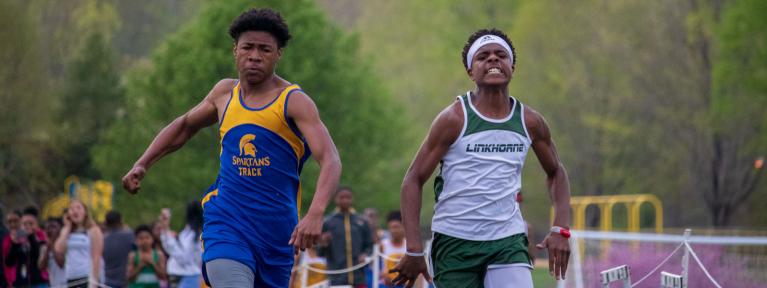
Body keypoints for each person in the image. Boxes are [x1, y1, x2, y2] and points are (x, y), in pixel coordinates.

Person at [120, 8, 342, 288]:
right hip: (226, 223)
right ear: (235, 50)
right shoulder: (224, 94)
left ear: (278, 55)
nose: (255, 56)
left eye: (265, 50)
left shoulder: (294, 102)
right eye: (247, 47)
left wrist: (316, 212)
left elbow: (331, 159)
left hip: (277, 234)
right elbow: (185, 125)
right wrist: (143, 163)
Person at [392, 28, 572, 288]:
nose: (493, 60)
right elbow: (413, 179)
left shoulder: (530, 122)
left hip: (507, 239)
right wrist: (414, 249)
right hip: (454, 242)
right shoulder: (454, 119)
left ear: (512, 66)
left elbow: (556, 172)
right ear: (470, 71)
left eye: (501, 55)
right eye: (483, 56)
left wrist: (560, 228)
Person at [319, 187, 373, 287]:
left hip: (359, 276)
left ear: (352, 199)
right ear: (335, 199)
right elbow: (320, 253)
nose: (345, 200)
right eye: (341, 197)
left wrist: (365, 254)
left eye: (348, 197)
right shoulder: (328, 222)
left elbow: (370, 245)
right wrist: (323, 244)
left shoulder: (361, 221)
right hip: (337, 277)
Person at [54, 200, 104, 288]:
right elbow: (58, 249)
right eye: (72, 209)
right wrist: (67, 227)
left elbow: (96, 257)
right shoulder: (66, 231)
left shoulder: (93, 230)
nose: (75, 211)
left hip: (87, 277)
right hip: (71, 277)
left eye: (78, 208)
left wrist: (94, 281)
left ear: (85, 212)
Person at [159, 202, 202, 288]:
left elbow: (183, 258)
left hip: (187, 277)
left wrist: (166, 230)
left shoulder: (192, 234)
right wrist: (165, 228)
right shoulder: (189, 232)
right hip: (183, 277)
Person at [5, 207, 48, 287]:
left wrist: (31, 236)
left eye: (31, 224)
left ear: (36, 224)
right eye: (24, 224)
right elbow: (9, 262)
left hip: (39, 282)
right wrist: (15, 245)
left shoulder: (41, 237)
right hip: (21, 283)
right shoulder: (17, 239)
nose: (27, 226)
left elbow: (38, 255)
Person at [103, 211, 135, 288]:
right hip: (124, 281)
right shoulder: (129, 236)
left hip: (106, 281)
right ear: (121, 221)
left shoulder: (103, 239)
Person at [380, 211, 406, 288]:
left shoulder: (410, 246)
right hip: (386, 284)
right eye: (390, 228)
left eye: (396, 227)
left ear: (403, 227)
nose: (393, 231)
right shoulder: (382, 245)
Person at [39, 218, 66, 288]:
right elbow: (41, 267)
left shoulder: (65, 245)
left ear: (60, 229)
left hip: (67, 284)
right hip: (53, 284)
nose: (50, 230)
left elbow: (61, 264)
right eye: (47, 228)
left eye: (53, 227)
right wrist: (48, 249)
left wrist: (53, 245)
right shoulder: (44, 248)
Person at [2, 210, 22, 287]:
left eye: (15, 221)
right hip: (12, 282)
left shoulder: (29, 236)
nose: (13, 224)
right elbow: (7, 263)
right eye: (9, 222)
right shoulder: (6, 239)